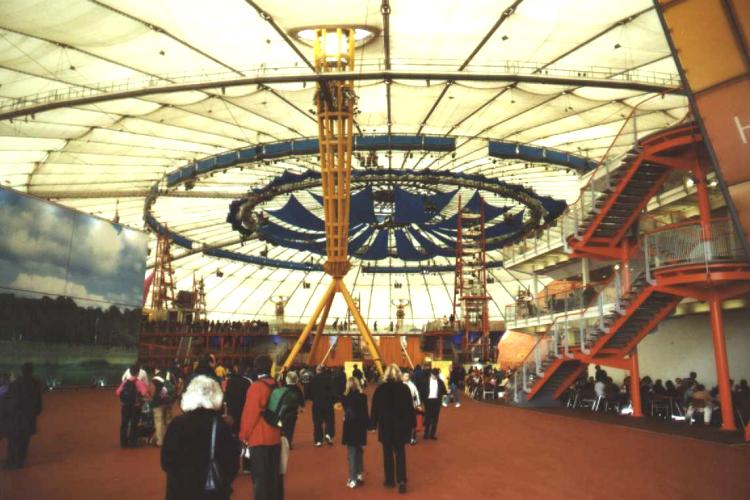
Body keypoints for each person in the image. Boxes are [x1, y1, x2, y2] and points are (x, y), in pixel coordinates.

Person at [161, 376, 240, 500]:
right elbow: (232, 464)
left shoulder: (177, 424)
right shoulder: (221, 426)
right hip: (212, 492)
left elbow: (166, 462)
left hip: (181, 492)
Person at [239, 355, 283, 500]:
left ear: (256, 368)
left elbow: (250, 415)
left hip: (259, 438)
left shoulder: (256, 387)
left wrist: (243, 435)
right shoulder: (276, 385)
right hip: (275, 436)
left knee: (260, 480)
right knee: (274, 476)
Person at [370, 364, 416, 494]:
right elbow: (409, 408)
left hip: (385, 427)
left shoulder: (380, 390)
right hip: (400, 427)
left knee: (387, 454)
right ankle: (401, 480)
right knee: (400, 453)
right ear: (398, 374)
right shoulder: (404, 389)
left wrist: (373, 424)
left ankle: (389, 480)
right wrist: (412, 423)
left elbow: (375, 409)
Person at [2, 363, 42, 469]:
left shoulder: (15, 384)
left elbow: (10, 403)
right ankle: (20, 462)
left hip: (16, 418)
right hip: (29, 418)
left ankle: (12, 463)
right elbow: (38, 404)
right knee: (24, 442)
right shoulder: (36, 383)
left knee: (13, 441)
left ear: (21, 371)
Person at [341, 377, 369, 489]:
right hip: (360, 426)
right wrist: (369, 426)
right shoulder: (363, 397)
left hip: (350, 426)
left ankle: (352, 478)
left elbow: (346, 411)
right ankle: (359, 475)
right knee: (359, 450)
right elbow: (366, 413)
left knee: (351, 452)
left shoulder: (344, 398)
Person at [116, 364, 150, 448]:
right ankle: (132, 443)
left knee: (124, 424)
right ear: (138, 373)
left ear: (130, 372)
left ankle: (123, 443)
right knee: (134, 424)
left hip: (125, 406)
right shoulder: (139, 382)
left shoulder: (125, 382)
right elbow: (144, 393)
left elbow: (117, 392)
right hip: (135, 406)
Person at [310, 365, 336, 447]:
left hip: (317, 403)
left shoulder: (313, 379)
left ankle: (318, 440)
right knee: (330, 420)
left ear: (317, 370)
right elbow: (334, 391)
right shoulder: (329, 378)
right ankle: (328, 434)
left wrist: (313, 398)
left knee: (317, 422)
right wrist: (334, 400)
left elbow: (308, 392)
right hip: (328, 402)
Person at [419, 368, 447, 440]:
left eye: (436, 375)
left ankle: (432, 434)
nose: (435, 376)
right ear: (431, 374)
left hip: (437, 401)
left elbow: (444, 392)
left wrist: (444, 401)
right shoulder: (425, 381)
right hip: (428, 401)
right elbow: (421, 392)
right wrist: (420, 403)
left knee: (435, 419)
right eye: (433, 375)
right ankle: (426, 433)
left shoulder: (440, 382)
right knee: (427, 418)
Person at [151, 368, 176, 447]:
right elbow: (175, 387)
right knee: (168, 421)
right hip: (168, 402)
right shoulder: (171, 376)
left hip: (158, 403)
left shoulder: (155, 379)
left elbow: (152, 391)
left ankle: (160, 441)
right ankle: (170, 439)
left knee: (159, 422)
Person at [281, 371, 305, 449]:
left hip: (282, 413)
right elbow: (302, 401)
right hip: (293, 412)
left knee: (281, 428)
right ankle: (288, 443)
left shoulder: (283, 388)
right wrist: (302, 407)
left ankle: (281, 443)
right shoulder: (297, 389)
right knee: (290, 429)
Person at [401, 372, 421, 445]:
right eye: (405, 376)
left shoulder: (412, 385)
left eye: (407, 376)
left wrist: (418, 405)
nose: (406, 377)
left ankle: (412, 438)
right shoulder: (399, 385)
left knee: (412, 423)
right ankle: (404, 437)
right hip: (402, 407)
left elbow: (416, 395)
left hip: (411, 406)